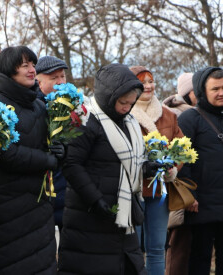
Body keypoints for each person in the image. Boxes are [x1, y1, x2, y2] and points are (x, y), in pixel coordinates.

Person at [58, 63, 150, 275]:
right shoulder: (86, 120)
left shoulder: (130, 123)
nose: (127, 107)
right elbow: (72, 164)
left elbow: (130, 164)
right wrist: (95, 199)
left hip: (122, 216)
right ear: (108, 97)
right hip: (90, 216)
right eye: (122, 102)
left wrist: (148, 167)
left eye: (130, 102)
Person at [0, 46, 61, 274]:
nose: (32, 70)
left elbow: (48, 143)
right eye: (24, 65)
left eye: (32, 64)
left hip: (38, 202)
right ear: (8, 69)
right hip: (6, 203)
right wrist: (48, 159)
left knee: (42, 264)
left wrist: (59, 148)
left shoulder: (37, 103)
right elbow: (5, 153)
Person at [178, 67, 223, 275]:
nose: (222, 92)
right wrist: (189, 196)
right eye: (215, 89)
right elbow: (181, 162)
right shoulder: (189, 120)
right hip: (200, 206)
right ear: (201, 92)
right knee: (199, 260)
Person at [129, 65, 184, 275]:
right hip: (134, 189)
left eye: (151, 81)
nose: (148, 86)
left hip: (159, 190)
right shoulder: (124, 112)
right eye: (142, 82)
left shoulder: (168, 115)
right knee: (133, 248)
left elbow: (181, 147)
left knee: (157, 248)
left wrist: (174, 168)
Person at [163, 72, 197, 275]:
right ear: (187, 93)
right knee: (179, 245)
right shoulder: (179, 116)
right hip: (178, 190)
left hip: (185, 188)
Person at [35, 55, 68, 235]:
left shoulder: (73, 106)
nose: (60, 82)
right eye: (54, 78)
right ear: (38, 81)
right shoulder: (34, 106)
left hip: (66, 186)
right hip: (42, 189)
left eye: (62, 76)